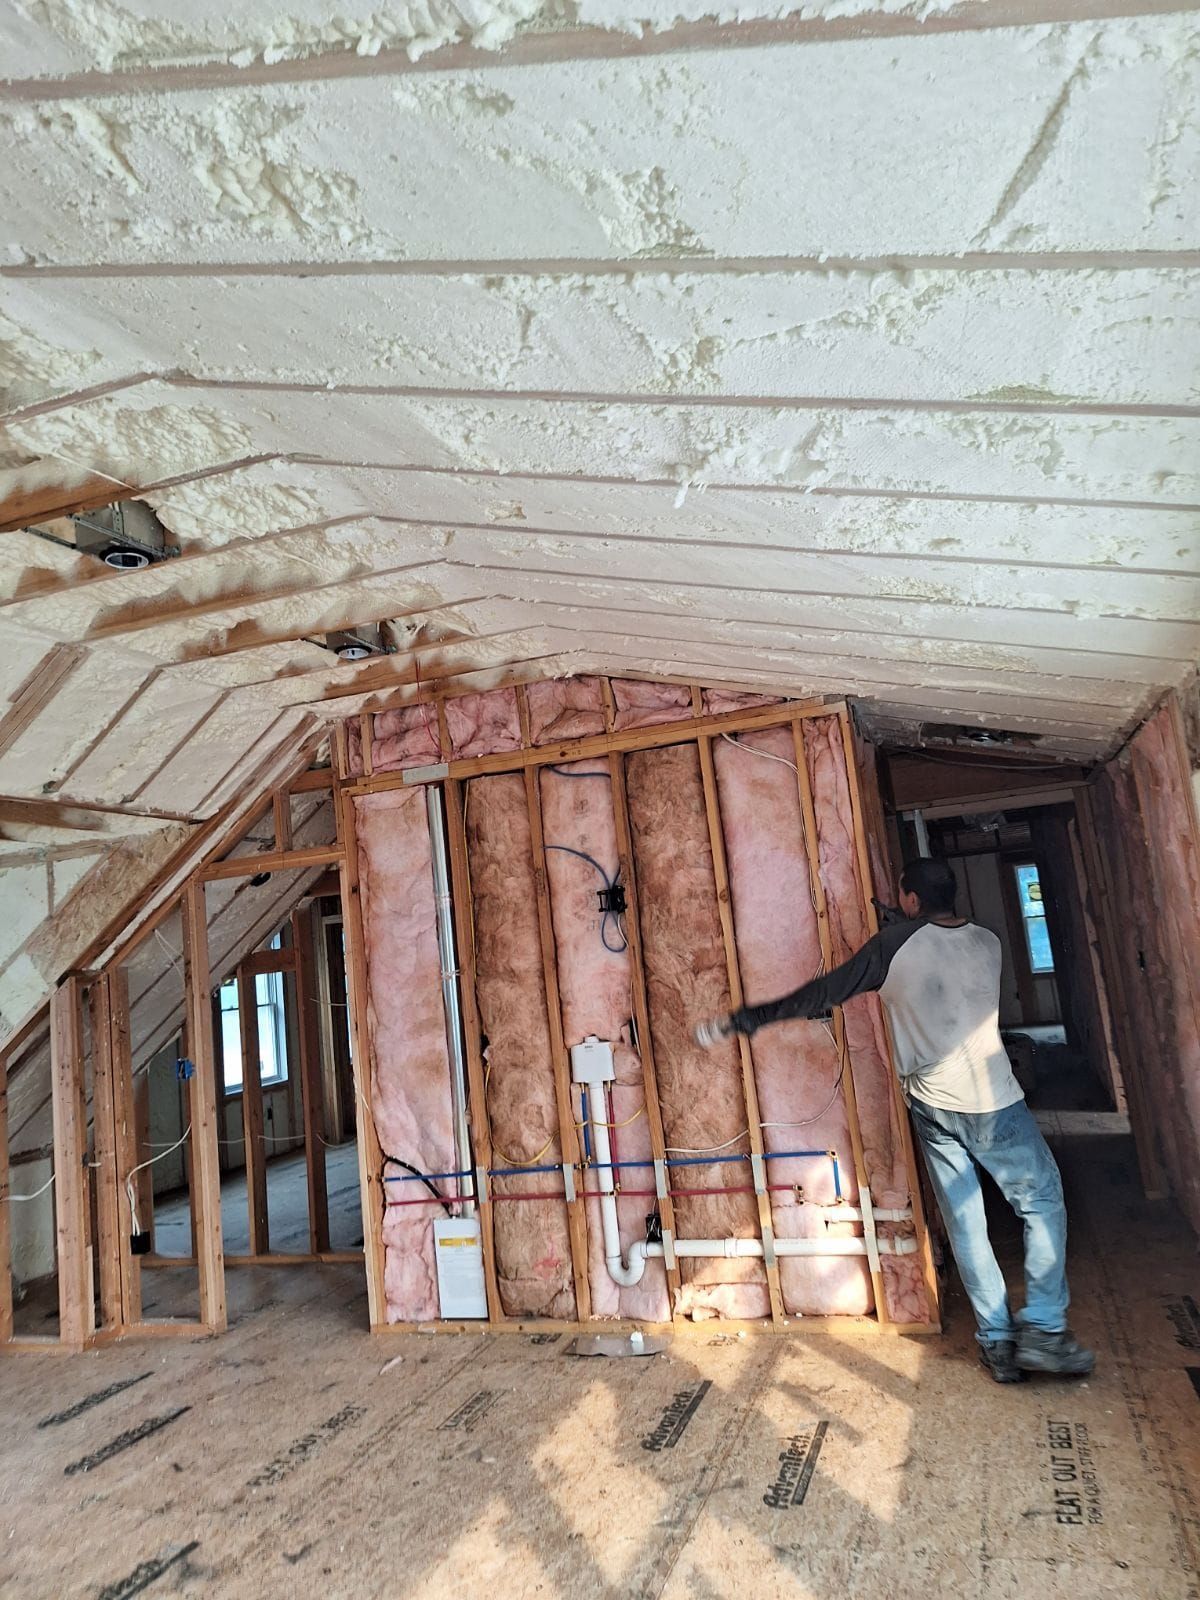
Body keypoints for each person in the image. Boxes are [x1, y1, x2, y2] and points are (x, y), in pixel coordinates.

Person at [694, 856, 1094, 1382]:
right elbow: (937, 965)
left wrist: (751, 1018)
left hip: (933, 1106)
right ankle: (1043, 1329)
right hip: (994, 1100)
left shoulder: (892, 948)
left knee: (966, 1222)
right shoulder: (989, 943)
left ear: (910, 900)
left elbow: (826, 991)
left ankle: (998, 1343)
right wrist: (900, 927)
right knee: (1041, 1202)